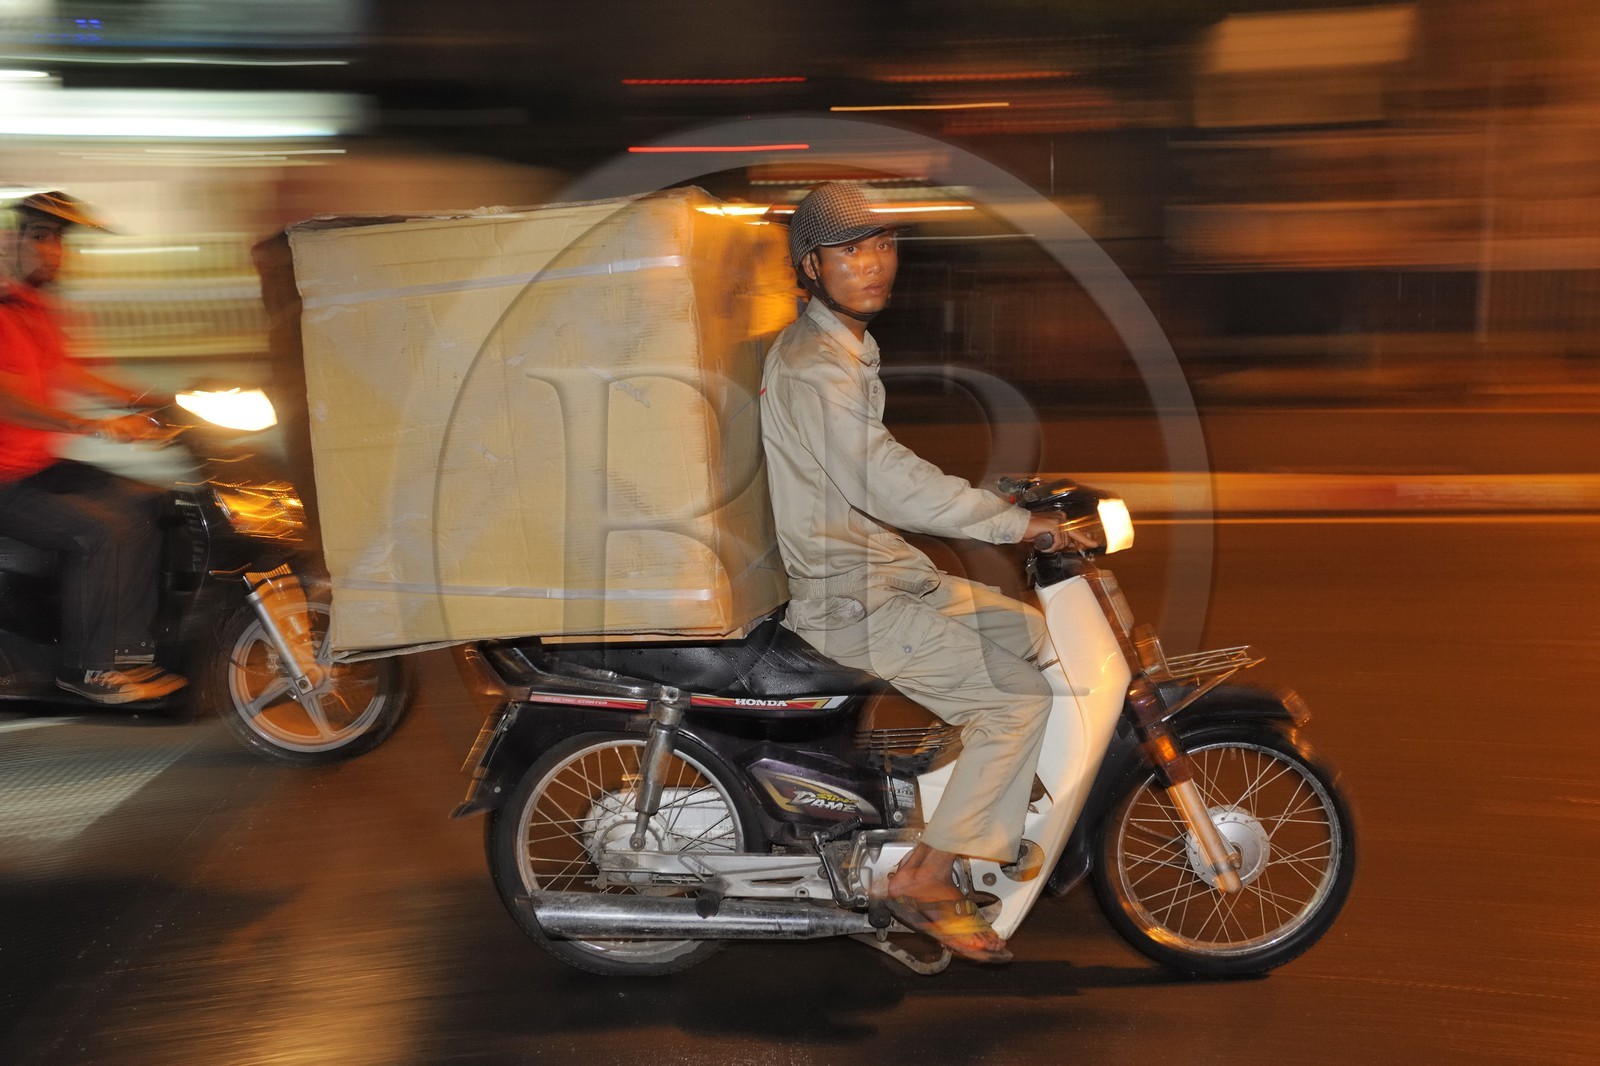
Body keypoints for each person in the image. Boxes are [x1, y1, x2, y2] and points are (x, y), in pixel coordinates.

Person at [761, 181, 1072, 964]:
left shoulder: (843, 345)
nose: (875, 263)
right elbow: (881, 480)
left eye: (885, 244)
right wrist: (1010, 523)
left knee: (1035, 633)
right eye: (852, 249)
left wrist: (1005, 501)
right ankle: (925, 877)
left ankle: (974, 810)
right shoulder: (813, 365)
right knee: (1017, 701)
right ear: (811, 264)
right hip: (849, 596)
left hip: (884, 569)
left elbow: (877, 471)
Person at [0, 190, 185, 704]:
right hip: (5, 480)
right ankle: (89, 671)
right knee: (99, 532)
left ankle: (128, 652)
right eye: (40, 237)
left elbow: (68, 371)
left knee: (147, 498)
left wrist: (151, 400)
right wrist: (90, 426)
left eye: (58, 241)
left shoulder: (36, 307)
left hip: (34, 466)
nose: (53, 252)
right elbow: (8, 401)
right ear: (11, 240)